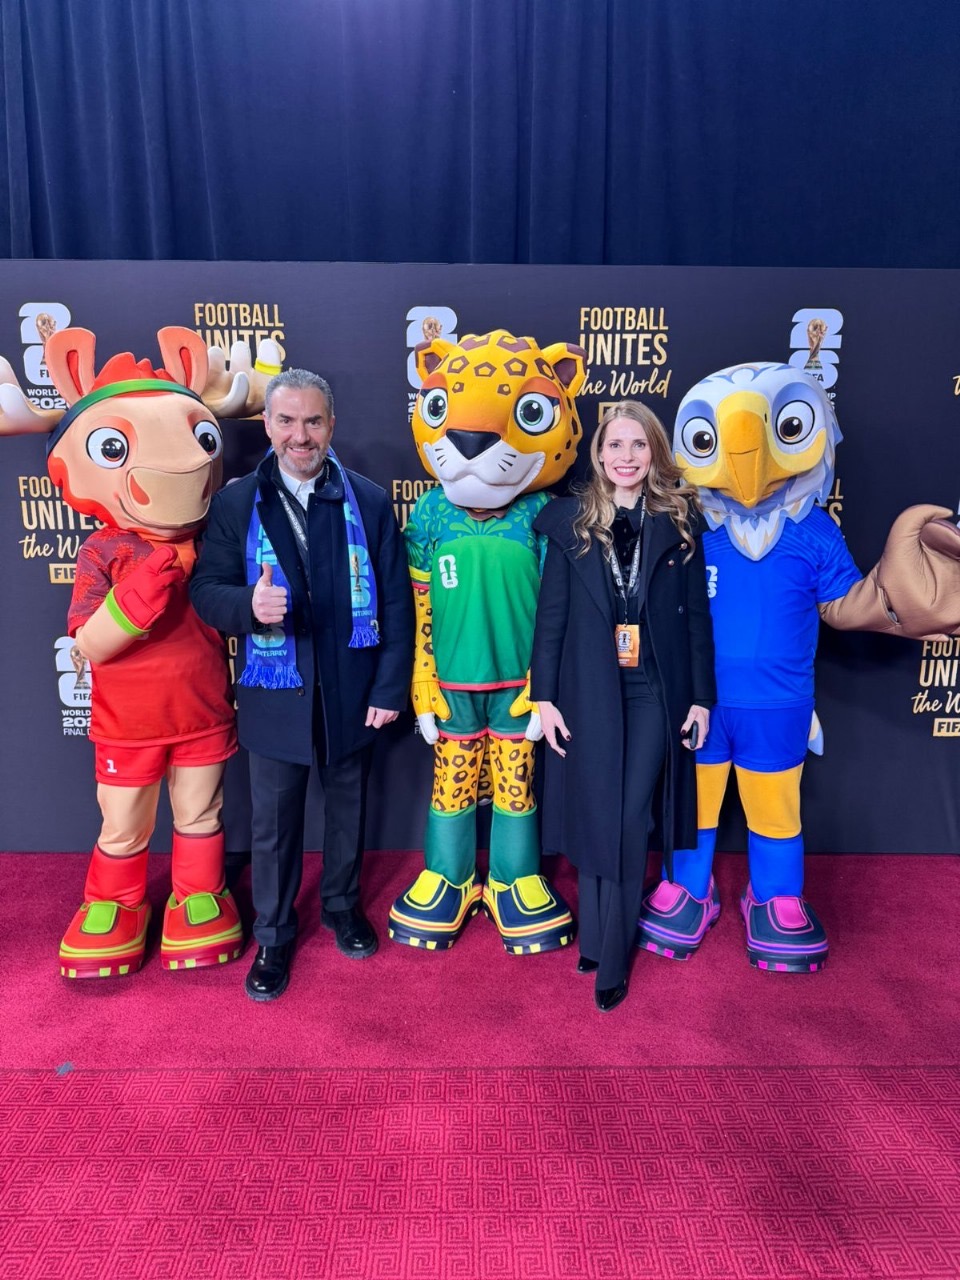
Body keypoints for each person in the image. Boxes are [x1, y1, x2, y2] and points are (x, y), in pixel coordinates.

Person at [190, 369, 414, 1001]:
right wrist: (248, 606)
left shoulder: (369, 501)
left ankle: (342, 906)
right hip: (274, 689)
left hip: (351, 690)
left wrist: (388, 690)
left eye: (313, 421)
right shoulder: (236, 503)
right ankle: (274, 934)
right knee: (273, 824)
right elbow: (205, 590)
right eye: (286, 421)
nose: (300, 435)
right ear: (267, 425)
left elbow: (396, 603)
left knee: (348, 810)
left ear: (331, 425)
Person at [530, 400, 716, 1012]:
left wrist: (701, 700)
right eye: (615, 445)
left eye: (638, 445)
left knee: (631, 816)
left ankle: (612, 957)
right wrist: (545, 697)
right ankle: (593, 936)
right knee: (595, 809)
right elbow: (551, 618)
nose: (626, 457)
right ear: (600, 453)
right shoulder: (570, 523)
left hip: (653, 692)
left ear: (654, 453)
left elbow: (697, 621)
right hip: (588, 691)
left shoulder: (679, 522)